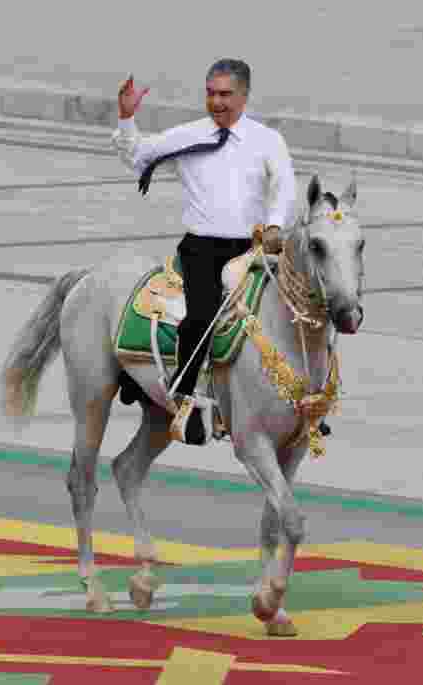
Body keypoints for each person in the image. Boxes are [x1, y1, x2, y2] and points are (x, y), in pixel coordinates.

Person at [112, 58, 297, 445]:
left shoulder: (267, 141)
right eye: (211, 94)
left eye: (225, 94)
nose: (216, 102)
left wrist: (277, 223)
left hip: (253, 248)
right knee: (201, 317)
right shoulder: (188, 135)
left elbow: (283, 187)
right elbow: (138, 156)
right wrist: (127, 119)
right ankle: (184, 399)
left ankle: (302, 401)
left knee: (299, 313)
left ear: (244, 96)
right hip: (202, 250)